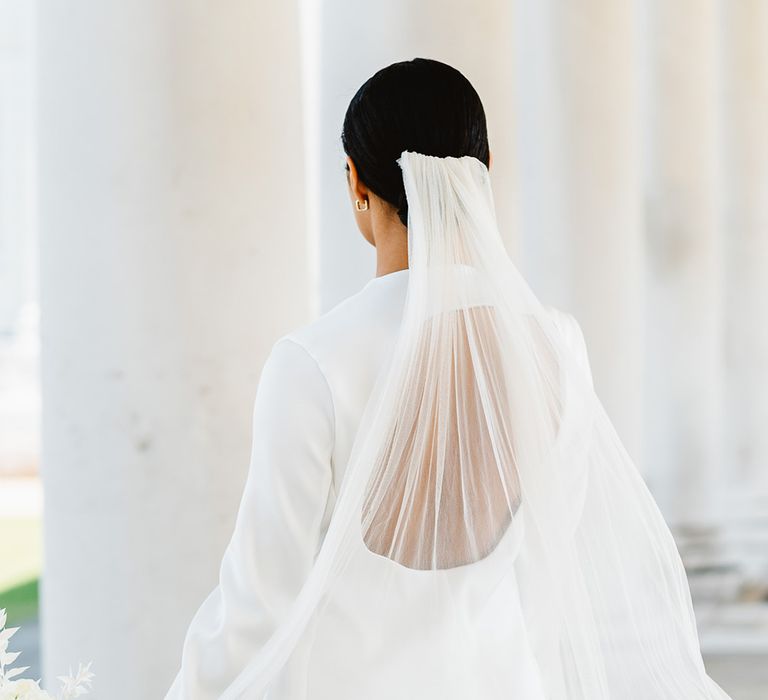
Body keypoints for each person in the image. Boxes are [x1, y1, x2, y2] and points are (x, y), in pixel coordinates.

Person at [165, 58, 733, 699]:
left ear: (355, 181)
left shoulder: (311, 365)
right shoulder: (553, 346)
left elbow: (256, 608)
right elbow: (548, 572)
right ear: (482, 172)